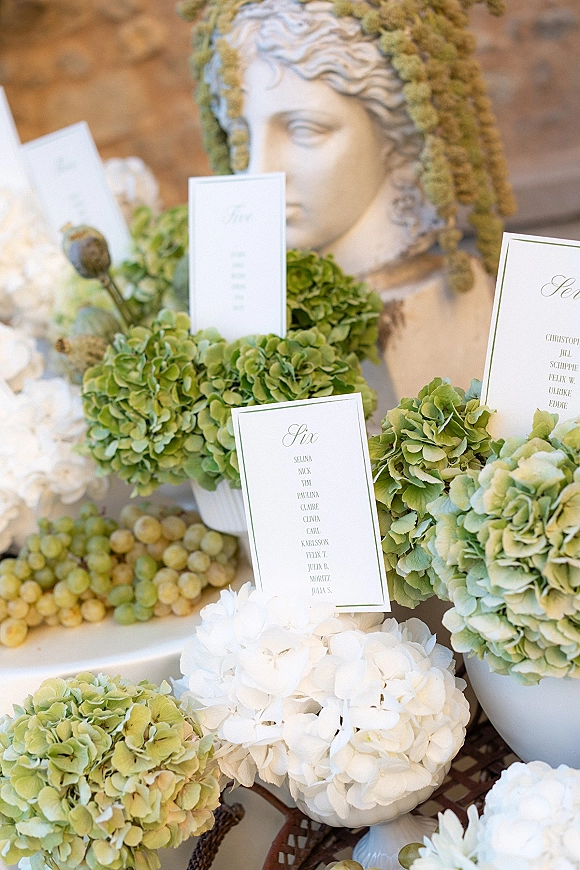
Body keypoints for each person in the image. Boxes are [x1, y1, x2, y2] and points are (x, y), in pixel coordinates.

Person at [181, 0, 516, 405]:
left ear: (398, 133)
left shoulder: (424, 305)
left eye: (304, 130)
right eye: (240, 134)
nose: (260, 172)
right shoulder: (254, 302)